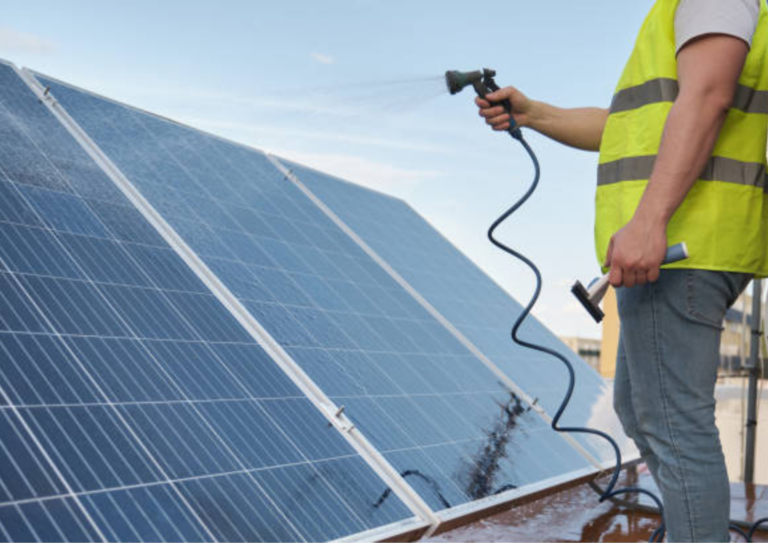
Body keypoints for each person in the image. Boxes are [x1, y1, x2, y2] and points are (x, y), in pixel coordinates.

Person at [476, 1, 767, 541]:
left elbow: (708, 97)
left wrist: (649, 221)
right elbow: (627, 129)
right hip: (676, 245)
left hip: (683, 244)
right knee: (640, 410)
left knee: (676, 427)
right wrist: (535, 113)